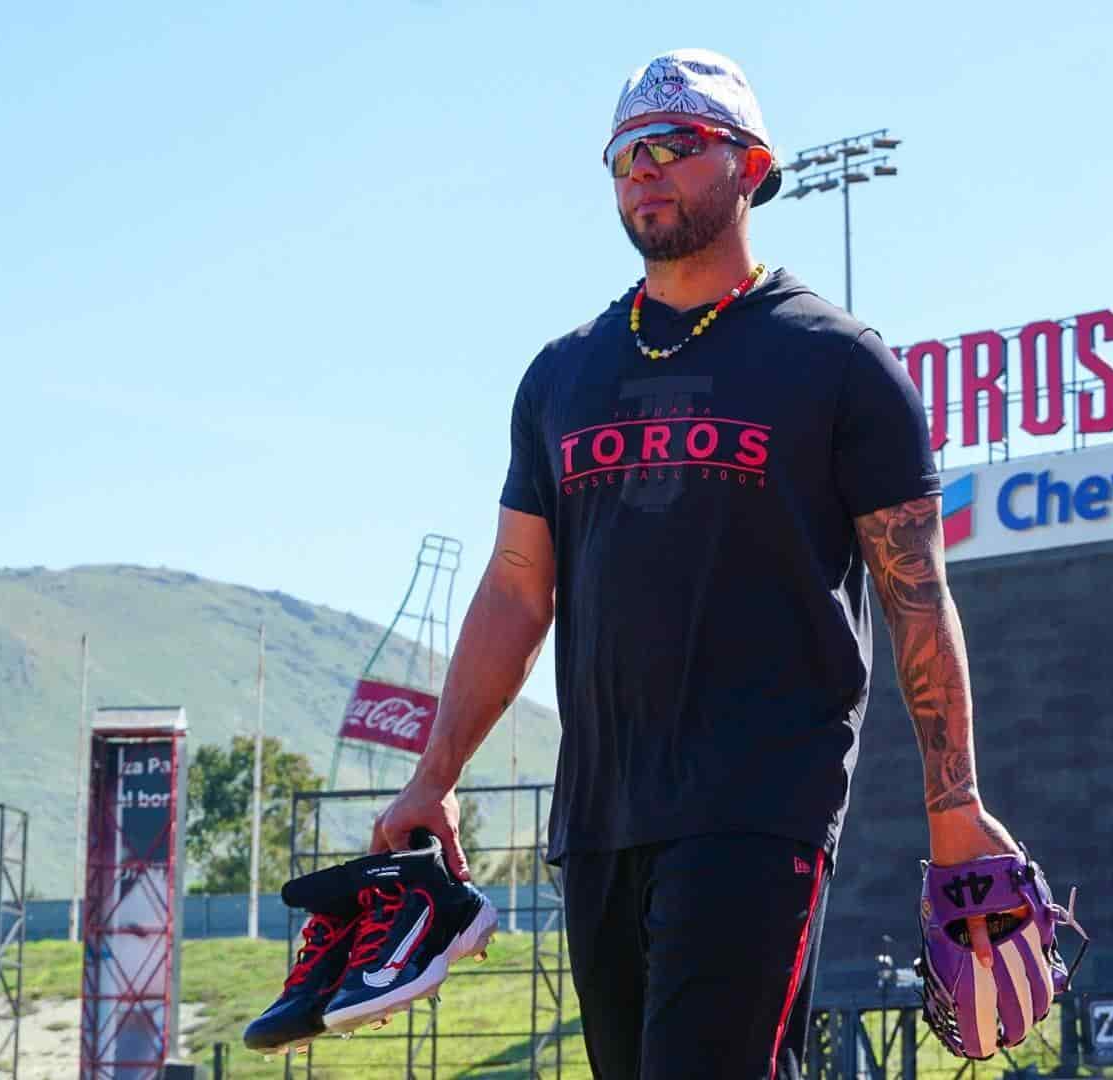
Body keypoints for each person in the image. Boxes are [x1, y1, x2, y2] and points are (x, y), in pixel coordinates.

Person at [369, 48, 1025, 1079]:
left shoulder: (840, 362)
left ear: (749, 163)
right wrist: (432, 775)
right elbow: (514, 587)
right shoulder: (561, 374)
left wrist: (955, 806)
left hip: (761, 806)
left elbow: (916, 593)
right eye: (624, 153)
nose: (643, 169)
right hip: (599, 817)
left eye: (672, 145)